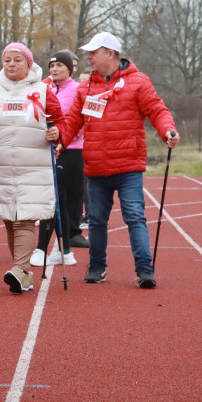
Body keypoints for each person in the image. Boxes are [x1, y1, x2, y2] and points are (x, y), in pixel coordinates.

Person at [54, 32, 179, 289]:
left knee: (135, 217)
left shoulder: (139, 82)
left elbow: (157, 110)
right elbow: (73, 121)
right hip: (96, 168)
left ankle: (144, 269)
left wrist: (168, 130)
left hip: (128, 166)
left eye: (94, 52)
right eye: (88, 53)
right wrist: (60, 142)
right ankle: (96, 267)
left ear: (110, 53)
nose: (89, 57)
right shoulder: (85, 87)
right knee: (97, 221)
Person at [0, 42, 62, 294]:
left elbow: (60, 122)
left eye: (17, 60)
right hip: (1, 167)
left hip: (33, 166)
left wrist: (57, 132)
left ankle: (19, 269)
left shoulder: (43, 91)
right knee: (10, 219)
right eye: (7, 60)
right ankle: (25, 274)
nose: (11, 64)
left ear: (28, 64)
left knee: (24, 220)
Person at [32, 49, 85, 268]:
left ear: (70, 70)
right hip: (52, 150)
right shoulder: (47, 89)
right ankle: (66, 252)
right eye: (52, 66)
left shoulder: (77, 90)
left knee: (51, 198)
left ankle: (41, 250)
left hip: (72, 150)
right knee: (59, 200)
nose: (54, 69)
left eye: (60, 66)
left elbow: (79, 122)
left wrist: (63, 142)